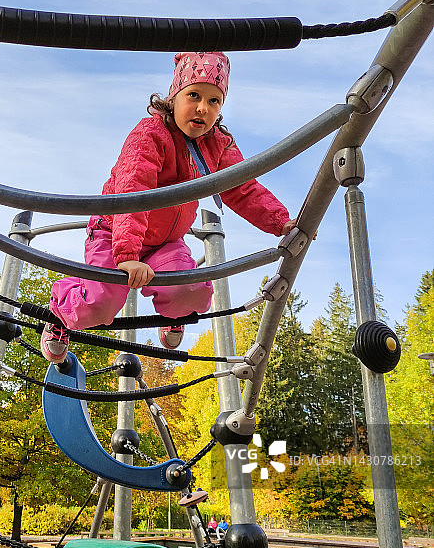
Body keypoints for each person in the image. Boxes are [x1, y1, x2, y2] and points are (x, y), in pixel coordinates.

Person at [42, 51, 296, 362]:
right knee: (100, 303)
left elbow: (242, 187)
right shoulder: (150, 134)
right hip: (115, 231)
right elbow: (133, 190)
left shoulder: (217, 143)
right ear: (174, 96)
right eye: (194, 95)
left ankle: (174, 314)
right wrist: (127, 255)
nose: (203, 108)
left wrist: (281, 222)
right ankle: (59, 312)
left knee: (190, 290)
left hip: (165, 242)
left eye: (214, 101)